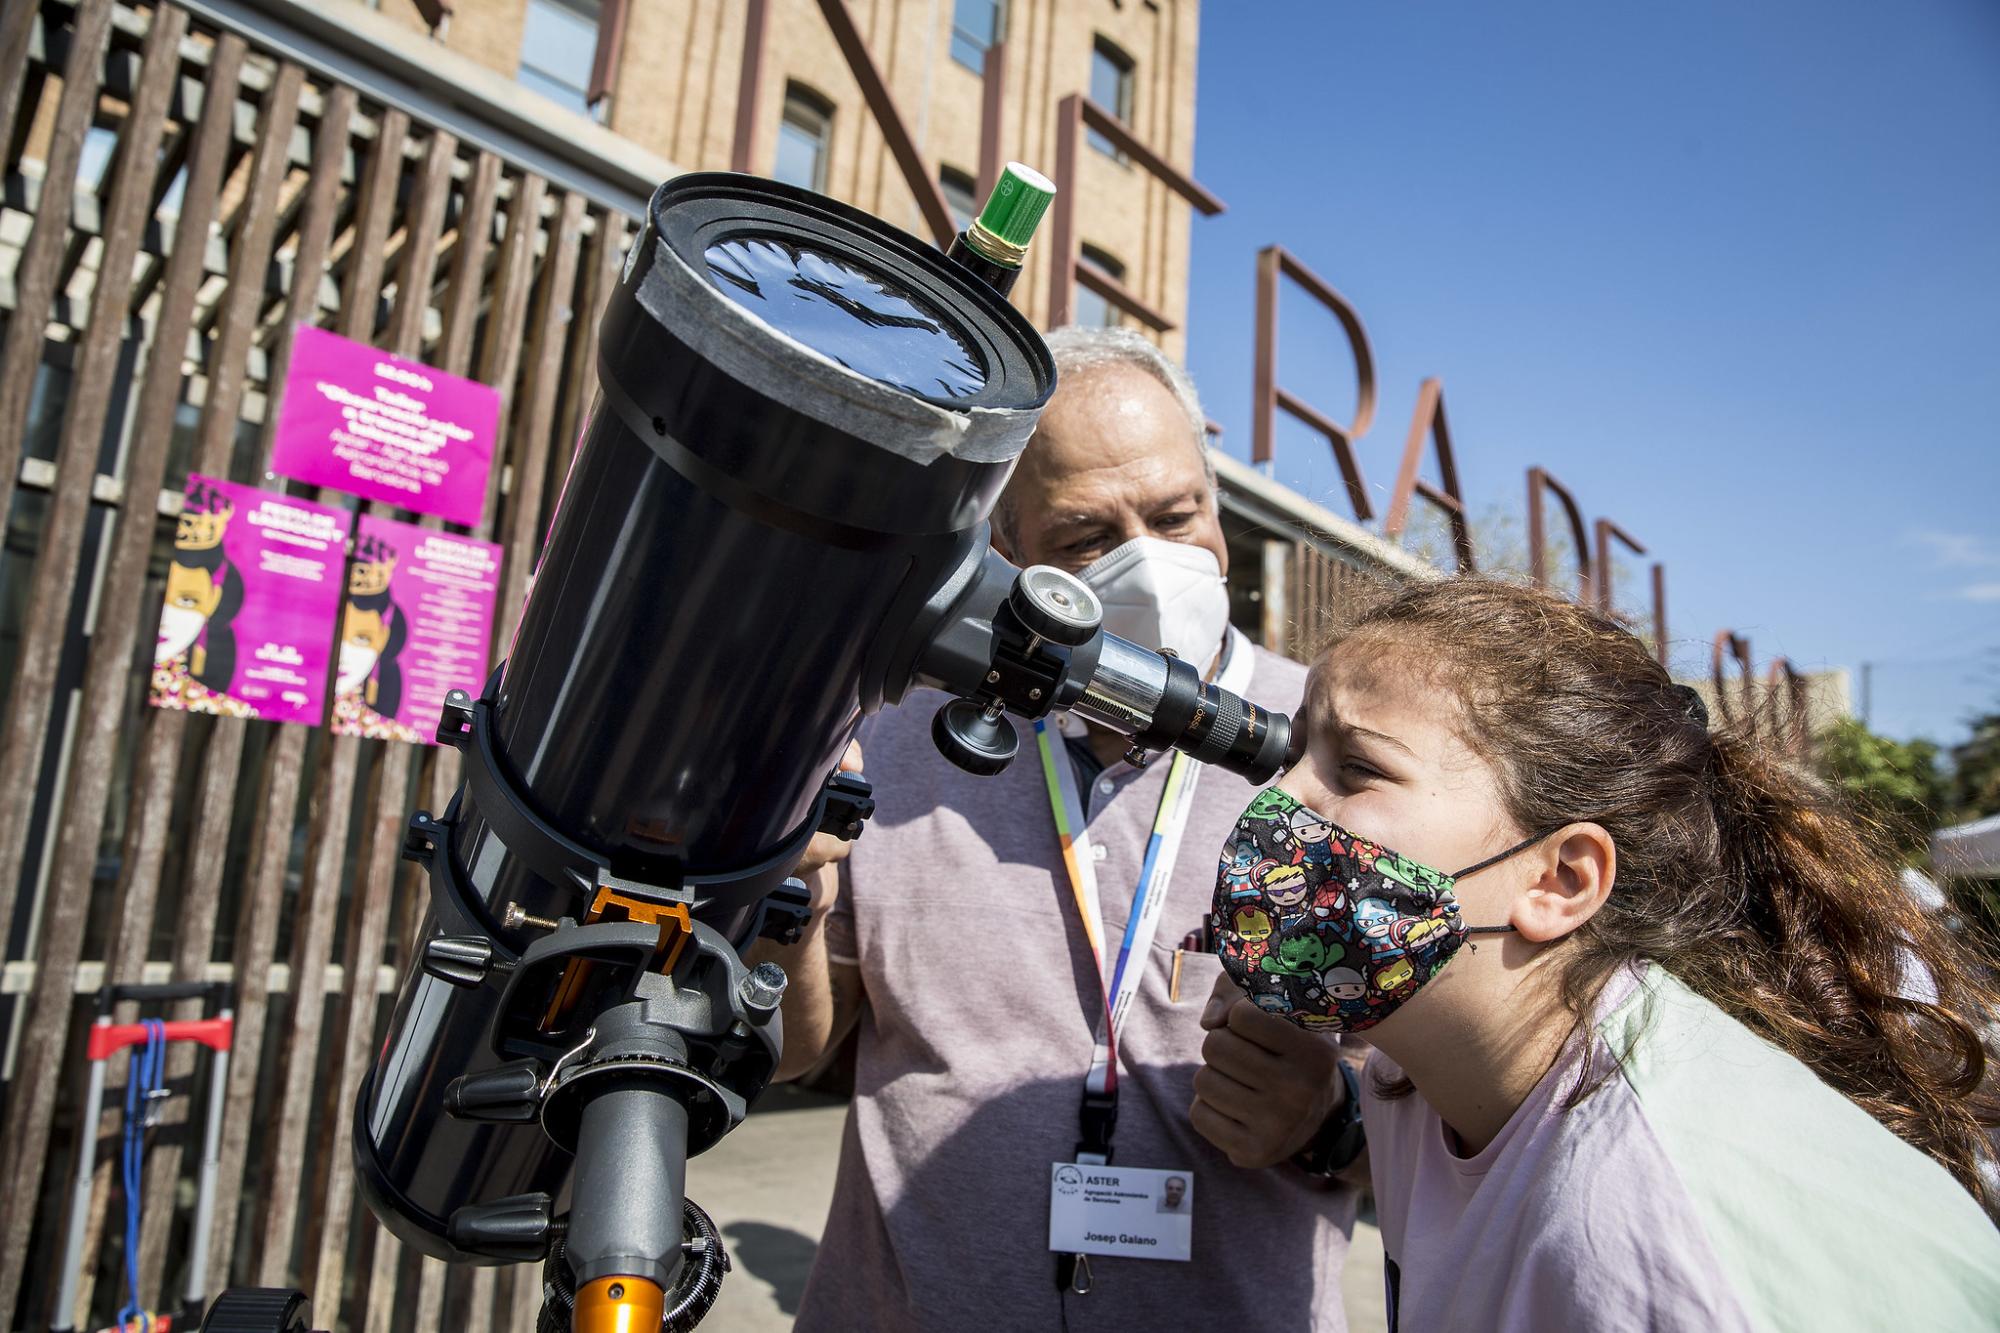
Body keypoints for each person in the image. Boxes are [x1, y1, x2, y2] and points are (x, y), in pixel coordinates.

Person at [761, 326, 1362, 1332]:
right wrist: (785, 906)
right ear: (1009, 550)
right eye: (1087, 535)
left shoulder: (1334, 759)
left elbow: (1464, 1122)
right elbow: (790, 1050)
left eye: (1177, 514)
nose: (1153, 561)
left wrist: (1327, 1122)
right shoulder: (897, 735)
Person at [1211, 576, 2000, 1331]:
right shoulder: (1420, 1079)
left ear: (1559, 880)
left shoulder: (1641, 1230)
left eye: (1357, 769)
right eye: (1296, 755)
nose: (1282, 801)